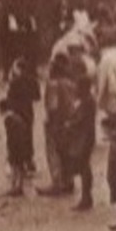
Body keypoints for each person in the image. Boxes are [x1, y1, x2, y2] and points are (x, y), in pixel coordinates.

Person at [37, 53, 76, 196]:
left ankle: (57, 183)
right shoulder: (70, 83)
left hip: (57, 123)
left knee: (54, 152)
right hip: (70, 122)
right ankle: (68, 180)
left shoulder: (53, 84)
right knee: (67, 152)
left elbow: (53, 107)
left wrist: (50, 122)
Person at [63, 75, 97, 211]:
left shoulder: (87, 102)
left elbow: (80, 120)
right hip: (86, 136)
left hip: (84, 138)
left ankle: (86, 197)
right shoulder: (87, 100)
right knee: (84, 167)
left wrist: (69, 124)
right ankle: (86, 196)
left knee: (84, 167)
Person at [6, 58, 41, 181]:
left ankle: (18, 165)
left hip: (17, 112)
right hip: (28, 111)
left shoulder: (14, 82)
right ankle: (29, 160)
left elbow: (8, 99)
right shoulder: (33, 81)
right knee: (28, 135)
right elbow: (37, 97)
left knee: (16, 138)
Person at [0, 97, 32, 197]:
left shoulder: (8, 120)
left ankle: (14, 187)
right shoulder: (17, 117)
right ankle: (19, 186)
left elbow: (11, 137)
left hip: (16, 147)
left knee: (15, 167)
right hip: (23, 145)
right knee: (20, 167)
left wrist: (10, 151)